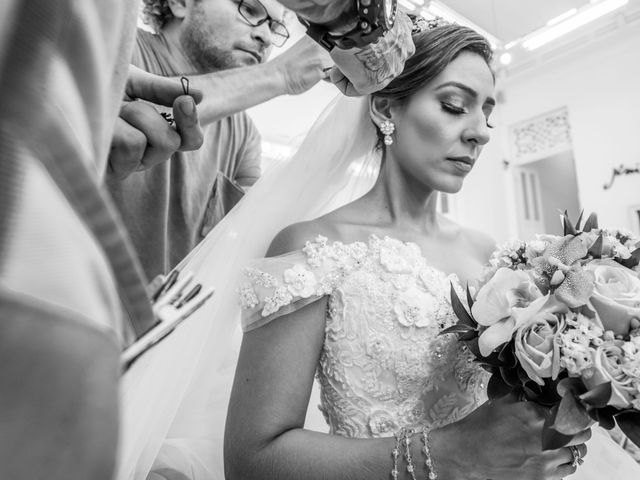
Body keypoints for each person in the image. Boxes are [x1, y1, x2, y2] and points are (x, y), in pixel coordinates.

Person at [118, 17, 640, 480]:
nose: (480, 132)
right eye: (455, 105)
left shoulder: (496, 259)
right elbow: (252, 460)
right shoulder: (312, 248)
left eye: (487, 114)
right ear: (387, 106)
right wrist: (451, 455)